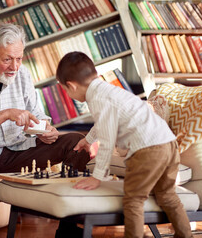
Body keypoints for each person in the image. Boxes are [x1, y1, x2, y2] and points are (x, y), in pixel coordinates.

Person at [0, 23, 90, 238]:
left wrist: (46, 130)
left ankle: (68, 227)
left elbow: (37, 114)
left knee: (76, 142)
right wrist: (6, 114)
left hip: (18, 148)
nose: (15, 67)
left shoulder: (23, 74)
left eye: (19, 58)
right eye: (7, 59)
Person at [56, 51, 193, 238]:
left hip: (147, 150)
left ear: (70, 86)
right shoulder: (109, 90)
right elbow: (105, 122)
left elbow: (107, 139)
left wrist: (97, 176)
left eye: (65, 90)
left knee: (133, 201)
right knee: (168, 196)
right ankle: (186, 235)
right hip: (168, 144)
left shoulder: (97, 99)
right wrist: (87, 140)